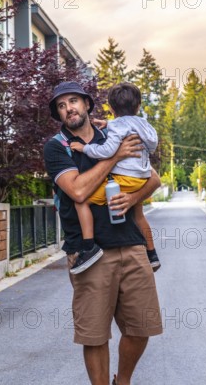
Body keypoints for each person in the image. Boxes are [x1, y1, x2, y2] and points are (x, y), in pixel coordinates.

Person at [43, 81, 163, 385]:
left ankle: (122, 381)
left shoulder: (112, 132)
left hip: (132, 245)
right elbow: (79, 190)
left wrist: (133, 198)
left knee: (141, 327)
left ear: (86, 104)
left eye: (73, 101)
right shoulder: (58, 146)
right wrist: (115, 157)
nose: (68, 108)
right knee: (94, 335)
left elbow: (154, 177)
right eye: (61, 105)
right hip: (90, 253)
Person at [68, 82, 161, 274]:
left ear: (110, 108)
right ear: (138, 106)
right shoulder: (144, 124)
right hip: (142, 177)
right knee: (138, 214)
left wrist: (84, 148)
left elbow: (107, 151)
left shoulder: (117, 126)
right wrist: (110, 124)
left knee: (81, 200)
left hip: (124, 179)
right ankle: (152, 255)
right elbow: (151, 144)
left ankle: (88, 247)